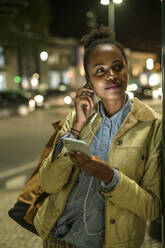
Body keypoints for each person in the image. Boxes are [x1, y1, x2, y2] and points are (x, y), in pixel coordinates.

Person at [33, 25, 162, 248]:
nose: (111, 75)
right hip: (56, 240)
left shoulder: (152, 126)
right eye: (100, 70)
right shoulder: (77, 118)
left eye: (117, 67)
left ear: (127, 70)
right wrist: (76, 127)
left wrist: (110, 177)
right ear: (89, 81)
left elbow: (152, 207)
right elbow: (48, 184)